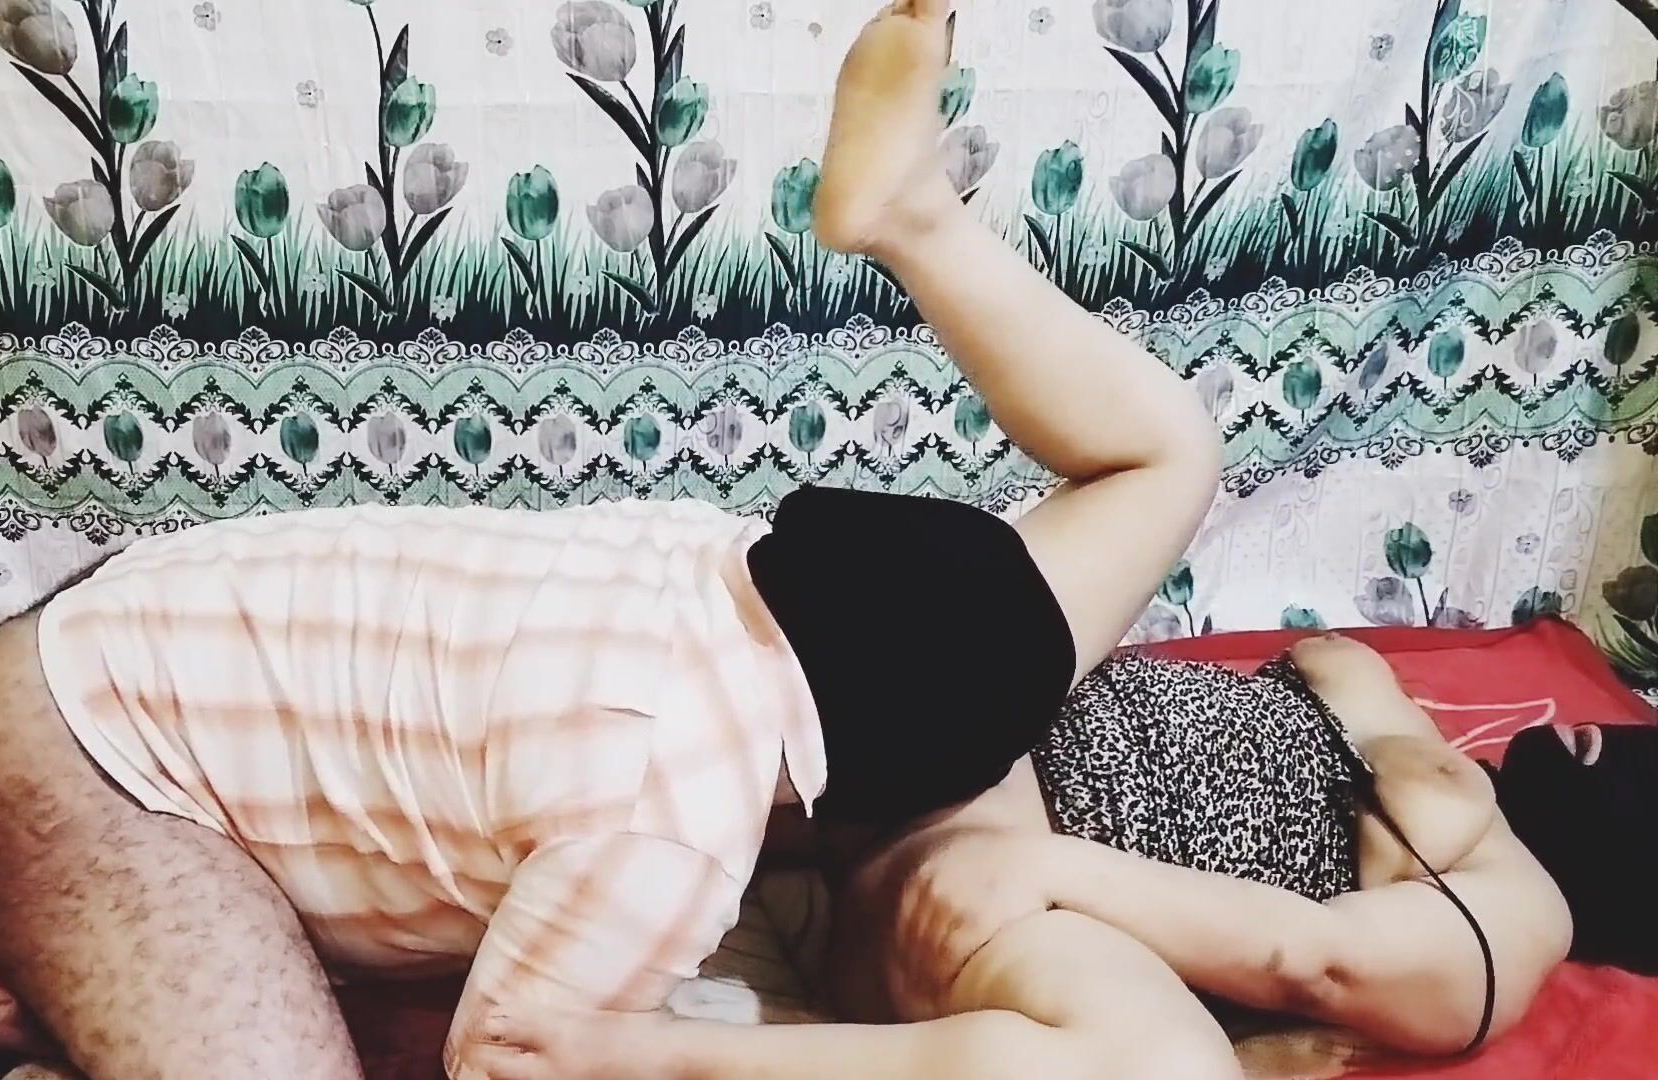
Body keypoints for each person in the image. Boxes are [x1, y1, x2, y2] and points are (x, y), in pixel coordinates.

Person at [0, 3, 1221, 1079]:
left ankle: (913, 218)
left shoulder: (722, 559)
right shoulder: (669, 822)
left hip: (145, 625)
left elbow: (1132, 487)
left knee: (1168, 463)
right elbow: (505, 1059)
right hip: (83, 755)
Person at [463, 2, 1570, 1077]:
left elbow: (1314, 958)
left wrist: (1049, 872)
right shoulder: (1382, 706)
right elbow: (1333, 675)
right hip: (947, 735)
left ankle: (656, 1057)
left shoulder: (1514, 935)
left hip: (988, 884)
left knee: (1165, 1071)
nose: (1587, 741)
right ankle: (907, 214)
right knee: (1164, 460)